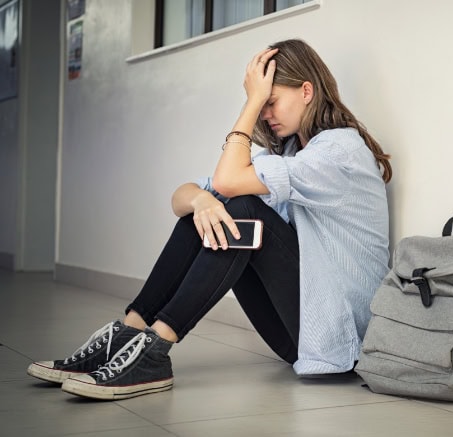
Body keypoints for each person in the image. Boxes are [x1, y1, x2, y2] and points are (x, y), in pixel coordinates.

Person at [27, 39, 392, 400]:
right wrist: (201, 201)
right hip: (302, 334)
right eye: (260, 105)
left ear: (307, 91)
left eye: (270, 102)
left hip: (340, 338)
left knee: (242, 209)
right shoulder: (292, 153)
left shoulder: (339, 151)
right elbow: (182, 198)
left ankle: (155, 350)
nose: (265, 113)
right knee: (203, 214)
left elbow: (227, 182)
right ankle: (128, 334)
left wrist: (250, 103)